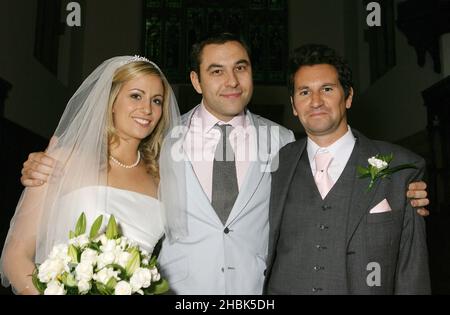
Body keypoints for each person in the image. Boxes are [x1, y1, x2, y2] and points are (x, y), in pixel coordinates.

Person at [18, 34, 430, 295]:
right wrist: (46, 168)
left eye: (240, 68)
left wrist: (402, 191)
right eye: (216, 71)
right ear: (196, 82)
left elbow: (333, 184)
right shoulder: (159, 140)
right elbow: (111, 170)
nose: (231, 81)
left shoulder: (285, 142)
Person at [0, 56, 182, 294]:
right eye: (136, 95)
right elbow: (15, 255)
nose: (147, 109)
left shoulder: (162, 177)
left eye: (156, 100)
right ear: (112, 100)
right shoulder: (62, 160)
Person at [264, 44, 431, 294]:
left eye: (327, 89)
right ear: (294, 105)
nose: (316, 101)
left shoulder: (400, 169)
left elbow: (412, 269)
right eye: (304, 92)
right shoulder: (275, 165)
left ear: (349, 96)